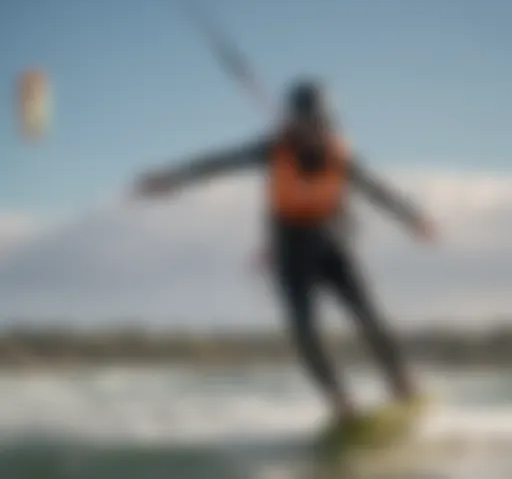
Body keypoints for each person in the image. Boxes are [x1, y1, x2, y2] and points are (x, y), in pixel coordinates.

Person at [132, 79, 436, 423]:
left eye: (321, 123)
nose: (314, 129)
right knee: (304, 330)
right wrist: (171, 179)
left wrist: (414, 219)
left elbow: (377, 190)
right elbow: (218, 163)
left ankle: (401, 383)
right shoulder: (272, 148)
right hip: (292, 252)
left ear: (329, 122)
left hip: (332, 245)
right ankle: (341, 403)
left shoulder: (340, 155)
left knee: (369, 315)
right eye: (306, 122)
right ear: (293, 120)